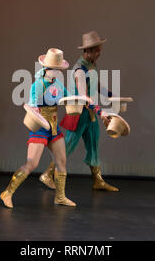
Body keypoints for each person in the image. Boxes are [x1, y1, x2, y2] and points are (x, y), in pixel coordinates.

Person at [39, 31, 116, 192]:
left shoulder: (91, 65)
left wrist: (110, 94)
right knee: (67, 146)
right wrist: (101, 112)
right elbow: (84, 96)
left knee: (94, 144)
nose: (99, 53)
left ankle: (98, 180)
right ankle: (47, 174)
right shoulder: (80, 70)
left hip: (90, 114)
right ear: (88, 51)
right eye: (97, 50)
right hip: (79, 114)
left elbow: (96, 85)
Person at [0, 48, 76, 208]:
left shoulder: (58, 85)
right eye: (56, 69)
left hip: (53, 128)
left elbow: (69, 97)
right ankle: (7, 192)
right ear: (47, 68)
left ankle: (60, 197)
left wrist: (81, 100)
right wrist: (38, 116)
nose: (58, 72)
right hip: (41, 128)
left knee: (61, 162)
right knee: (31, 164)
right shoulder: (38, 85)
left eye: (60, 69)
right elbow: (32, 105)